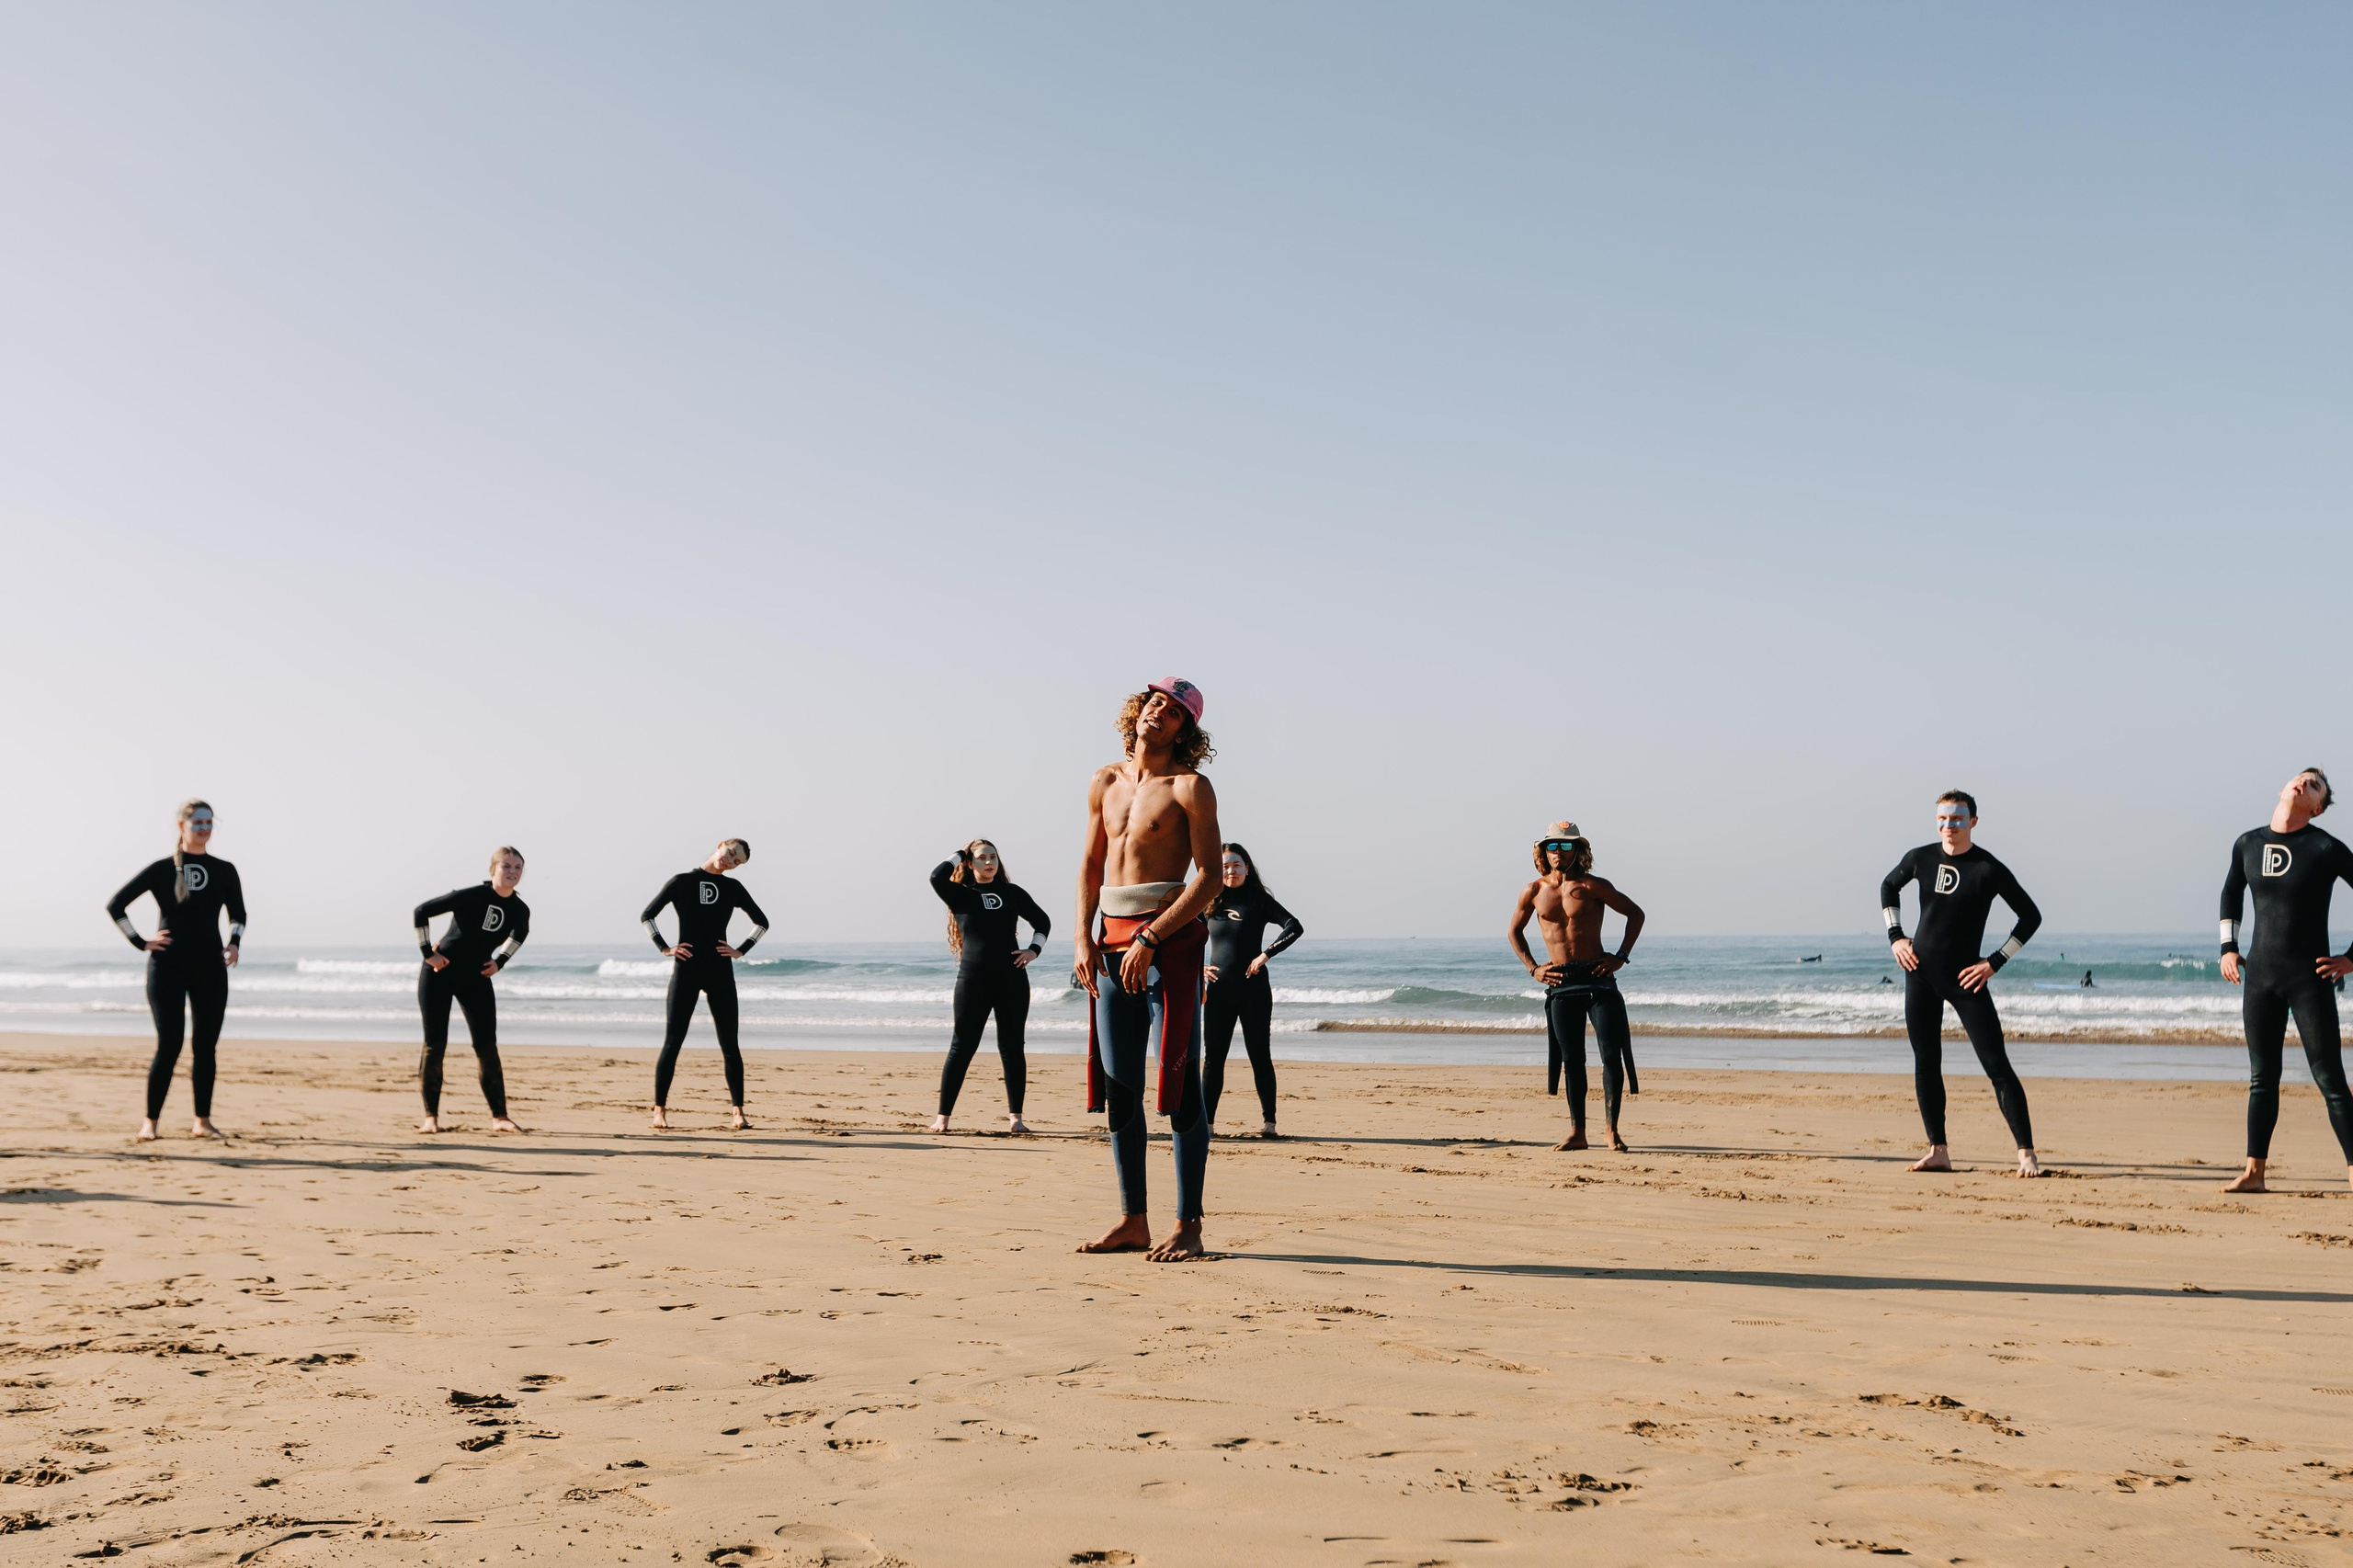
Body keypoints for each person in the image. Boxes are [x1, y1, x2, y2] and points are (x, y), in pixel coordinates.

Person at [1073, 678, 1223, 1261]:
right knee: (1120, 1087)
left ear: (1186, 729)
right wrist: (1083, 939)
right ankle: (1133, 1219)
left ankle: (1189, 1224)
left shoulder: (1191, 788)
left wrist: (1153, 937)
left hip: (1170, 944)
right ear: (1139, 710)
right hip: (1109, 945)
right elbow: (1089, 865)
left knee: (1181, 1083)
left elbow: (1208, 877)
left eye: (1175, 711)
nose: (1160, 713)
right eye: (1155, 702)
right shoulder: (1104, 781)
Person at [1881, 790, 2043, 1176]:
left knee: (1996, 1064)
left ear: (1973, 821)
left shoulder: (1987, 868)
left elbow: (2030, 916)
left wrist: (1995, 961)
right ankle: (1938, 1150)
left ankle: (2027, 1155)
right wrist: (1896, 937)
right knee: (1926, 1061)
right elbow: (1888, 886)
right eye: (1942, 819)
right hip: (1919, 973)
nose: (1948, 826)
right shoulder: (1919, 858)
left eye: (1956, 818)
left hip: (1966, 980)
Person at [2218, 767, 2353, 1193]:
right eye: (2300, 778)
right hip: (2261, 977)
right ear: (2283, 789)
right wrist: (2228, 947)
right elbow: (2230, 892)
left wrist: (2351, 959)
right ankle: (2254, 1173)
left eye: (2314, 786)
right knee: (2262, 1078)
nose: (2303, 783)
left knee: (2330, 1078)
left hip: (2309, 979)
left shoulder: (2325, 848)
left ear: (2317, 808)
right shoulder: (2248, 843)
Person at [107, 800, 245, 1142]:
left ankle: (202, 1122)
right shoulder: (162, 869)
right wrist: (141, 942)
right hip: (167, 967)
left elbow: (239, 913)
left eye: (209, 822)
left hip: (210, 968)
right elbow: (116, 905)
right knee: (169, 1045)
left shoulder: (225, 869)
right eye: (198, 822)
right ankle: (149, 1124)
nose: (204, 828)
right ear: (182, 826)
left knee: (205, 1046)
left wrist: (234, 942)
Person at [1508, 822, 1645, 1153]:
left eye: (1566, 847)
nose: (1558, 852)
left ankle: (1611, 1130)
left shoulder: (1594, 885)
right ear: (1544, 851)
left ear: (1578, 851)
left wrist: (1620, 957)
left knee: (1611, 1055)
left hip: (1598, 978)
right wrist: (1533, 969)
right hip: (1561, 982)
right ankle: (1577, 1132)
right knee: (1573, 1060)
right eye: (1552, 847)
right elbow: (1515, 931)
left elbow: (1635, 914)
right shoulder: (1534, 891)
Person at [641, 838, 769, 1131]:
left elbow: (762, 922)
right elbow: (647, 915)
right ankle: (659, 1111)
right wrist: (664, 948)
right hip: (686, 970)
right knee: (673, 1042)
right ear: (721, 845)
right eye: (731, 853)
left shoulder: (733, 888)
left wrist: (741, 950)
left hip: (719, 972)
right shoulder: (681, 881)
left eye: (737, 862)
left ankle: (738, 1112)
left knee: (730, 1045)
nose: (731, 861)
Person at [927, 840, 1051, 1135]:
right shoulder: (959, 894)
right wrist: (960, 851)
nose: (988, 862)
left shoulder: (1012, 893)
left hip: (1012, 980)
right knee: (962, 1047)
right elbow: (935, 876)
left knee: (1011, 1048)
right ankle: (942, 1119)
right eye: (981, 858)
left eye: (992, 857)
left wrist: (1034, 950)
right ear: (970, 864)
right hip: (973, 981)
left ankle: (1016, 1119)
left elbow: (1042, 921)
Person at [413, 847, 531, 1134]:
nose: (512, 871)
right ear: (493, 870)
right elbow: (421, 912)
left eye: (518, 867)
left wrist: (500, 961)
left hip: (476, 978)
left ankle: (500, 1117)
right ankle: (431, 1118)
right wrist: (428, 953)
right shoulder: (470, 895)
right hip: (440, 973)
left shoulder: (520, 909)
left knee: (486, 1045)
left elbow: (521, 934)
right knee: (435, 1045)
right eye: (506, 866)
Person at [1202, 843, 1302, 1138]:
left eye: (1236, 864)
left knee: (1260, 1055)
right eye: (1225, 866)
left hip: (1254, 990)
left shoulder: (1258, 900)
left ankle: (1269, 1123)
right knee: (1213, 1058)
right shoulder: (1208, 902)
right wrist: (1198, 967)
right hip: (1218, 991)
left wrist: (1265, 954)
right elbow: (1185, 939)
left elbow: (1294, 926)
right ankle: (1207, 1124)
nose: (1230, 870)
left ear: (1247, 868)